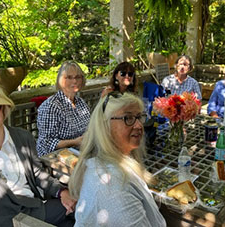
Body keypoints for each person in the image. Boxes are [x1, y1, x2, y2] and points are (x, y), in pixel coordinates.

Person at [0, 86, 76, 227]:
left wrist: (61, 191)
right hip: (0, 220)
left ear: (4, 109)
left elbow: (38, 173)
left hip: (34, 207)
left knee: (79, 209)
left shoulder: (23, 137)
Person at [70, 92, 166, 226]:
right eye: (128, 118)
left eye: (139, 117)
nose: (139, 125)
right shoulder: (113, 188)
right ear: (105, 126)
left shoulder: (109, 164)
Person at [36, 61, 90, 156]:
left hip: (79, 153)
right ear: (60, 80)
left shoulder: (81, 102)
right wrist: (75, 142)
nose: (74, 81)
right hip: (54, 158)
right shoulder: (51, 106)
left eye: (78, 77)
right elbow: (46, 143)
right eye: (69, 77)